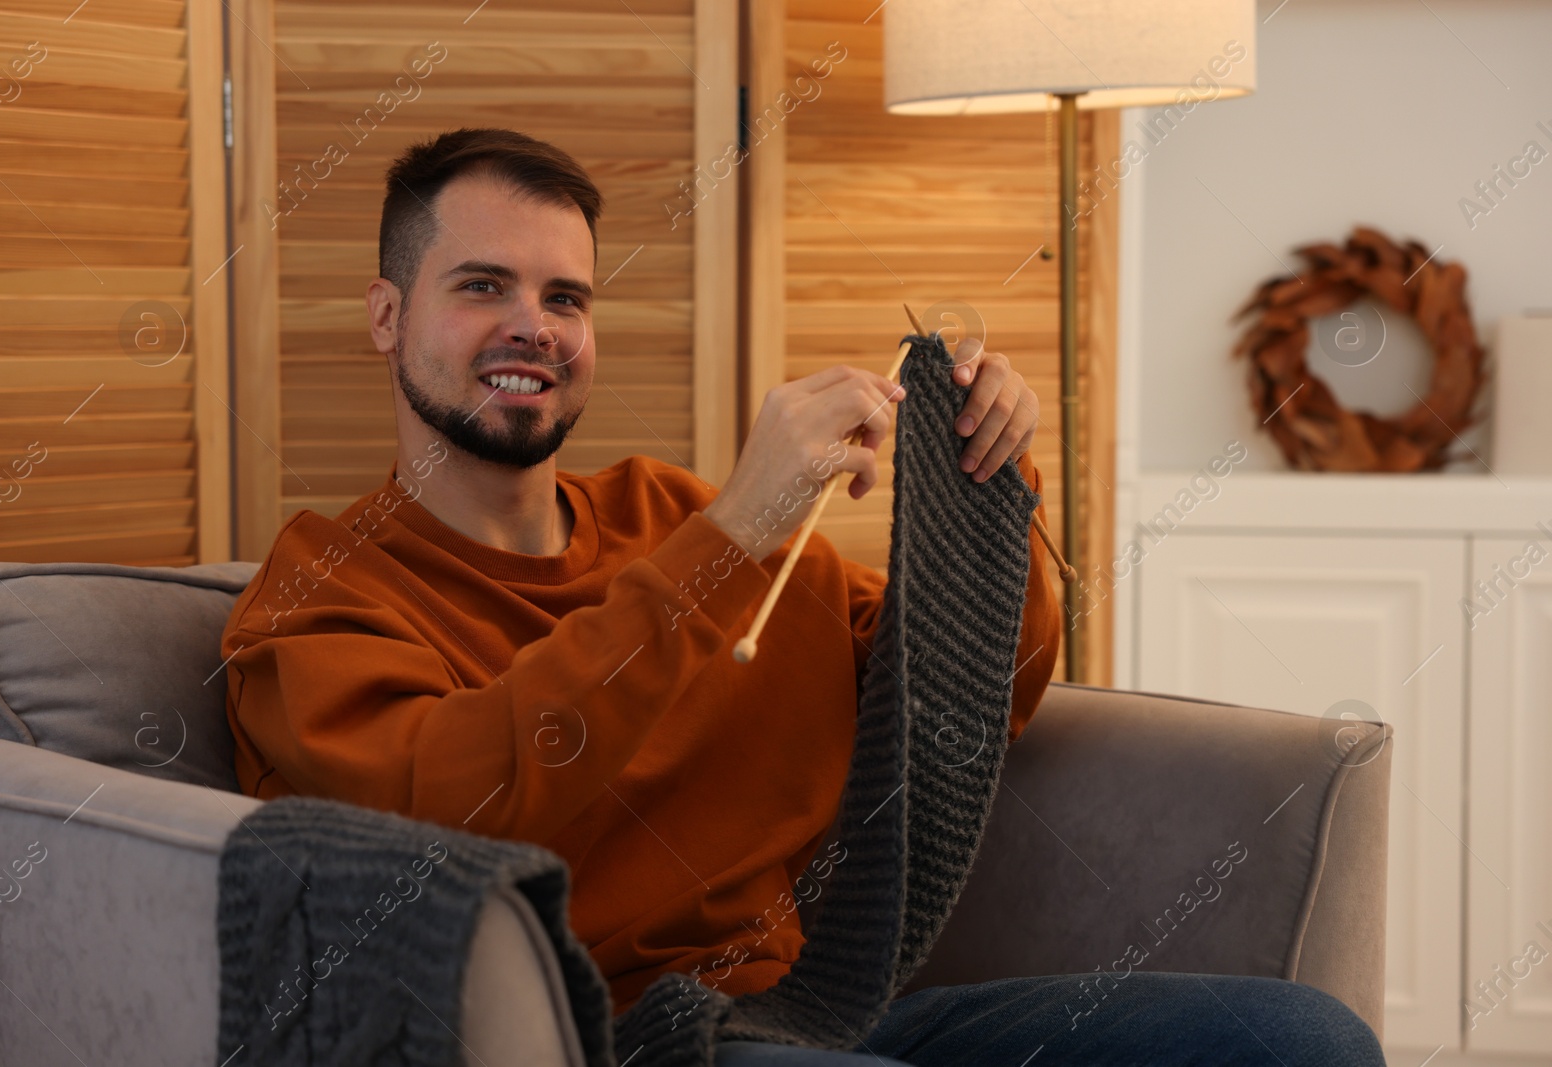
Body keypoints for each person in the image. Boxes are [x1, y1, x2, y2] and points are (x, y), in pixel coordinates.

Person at [221, 127, 1385, 1066]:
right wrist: (736, 532)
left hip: (823, 1002)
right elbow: (461, 804)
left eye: (566, 296)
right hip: (616, 1039)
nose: (534, 324)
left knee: (1297, 1037)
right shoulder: (317, 595)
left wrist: (990, 486)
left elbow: (971, 696)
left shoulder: (669, 513)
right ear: (386, 316)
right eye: (483, 285)